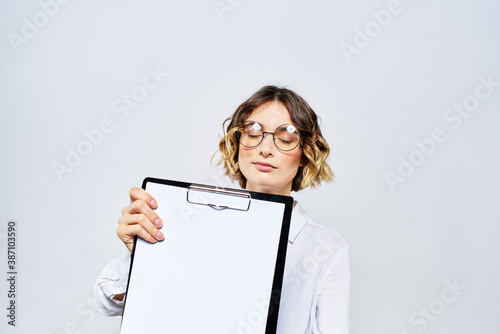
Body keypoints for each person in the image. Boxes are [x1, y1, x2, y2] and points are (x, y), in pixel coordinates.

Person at [94, 85, 351, 333]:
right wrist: (141, 254)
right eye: (253, 133)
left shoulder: (325, 248)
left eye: (285, 138)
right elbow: (106, 300)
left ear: (305, 154)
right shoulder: (188, 219)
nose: (265, 149)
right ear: (237, 143)